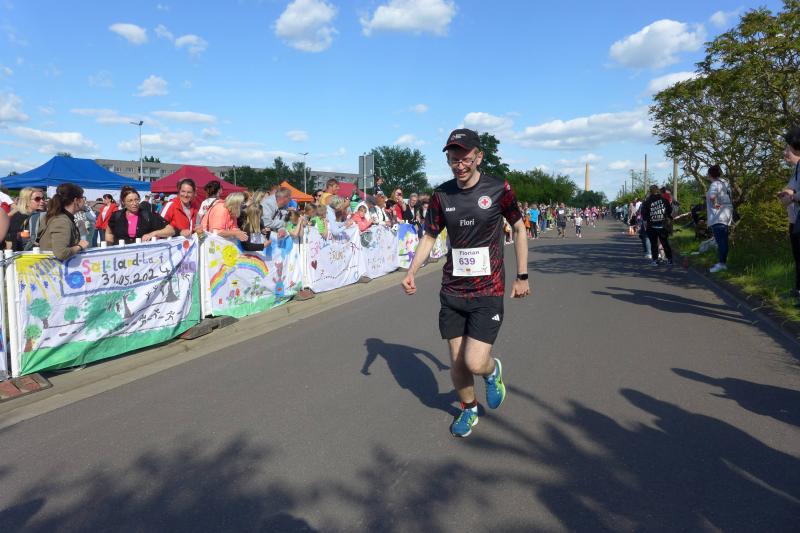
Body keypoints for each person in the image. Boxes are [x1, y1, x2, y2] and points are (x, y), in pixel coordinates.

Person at [402, 128, 529, 438]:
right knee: (457, 362)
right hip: (453, 290)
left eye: (465, 159)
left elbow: (518, 227)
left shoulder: (498, 189)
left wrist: (522, 275)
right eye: (453, 160)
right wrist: (412, 271)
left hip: (488, 289)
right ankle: (469, 408)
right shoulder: (441, 195)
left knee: (474, 361)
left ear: (479, 157)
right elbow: (430, 236)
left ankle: (492, 370)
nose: (459, 165)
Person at [107, 186, 176, 245]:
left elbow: (171, 230)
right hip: (122, 255)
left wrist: (153, 234)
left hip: (143, 254)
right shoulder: (116, 215)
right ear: (123, 202)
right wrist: (109, 248)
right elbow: (109, 233)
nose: (134, 203)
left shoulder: (148, 215)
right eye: (130, 201)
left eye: (136, 200)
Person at [37, 183, 89, 261]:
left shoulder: (58, 216)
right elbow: (61, 253)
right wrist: (80, 246)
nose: (84, 201)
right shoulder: (61, 221)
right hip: (54, 266)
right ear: (76, 200)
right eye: (83, 198)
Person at [777, 126, 800, 302]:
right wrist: (786, 194)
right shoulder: (798, 167)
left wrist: (792, 198)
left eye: (788, 147)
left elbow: (795, 193)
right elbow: (792, 187)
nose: (786, 152)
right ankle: (798, 291)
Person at [706, 164, 734, 273]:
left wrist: (715, 204)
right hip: (727, 215)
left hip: (717, 216)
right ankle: (723, 263)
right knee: (724, 241)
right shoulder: (725, 183)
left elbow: (712, 196)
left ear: (710, 175)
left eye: (708, 174)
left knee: (720, 242)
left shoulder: (714, 184)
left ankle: (721, 264)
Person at [641, 185, 673, 266]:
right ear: (658, 191)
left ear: (650, 191)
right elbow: (669, 211)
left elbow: (644, 215)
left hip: (652, 226)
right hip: (663, 225)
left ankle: (655, 260)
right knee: (665, 243)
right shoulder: (664, 200)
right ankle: (669, 260)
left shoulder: (647, 202)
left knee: (653, 244)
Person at [6, 187, 45, 251]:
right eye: (37, 199)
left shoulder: (37, 215)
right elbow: (11, 240)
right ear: (27, 201)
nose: (42, 201)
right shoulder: (19, 217)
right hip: (22, 253)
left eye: (43, 198)